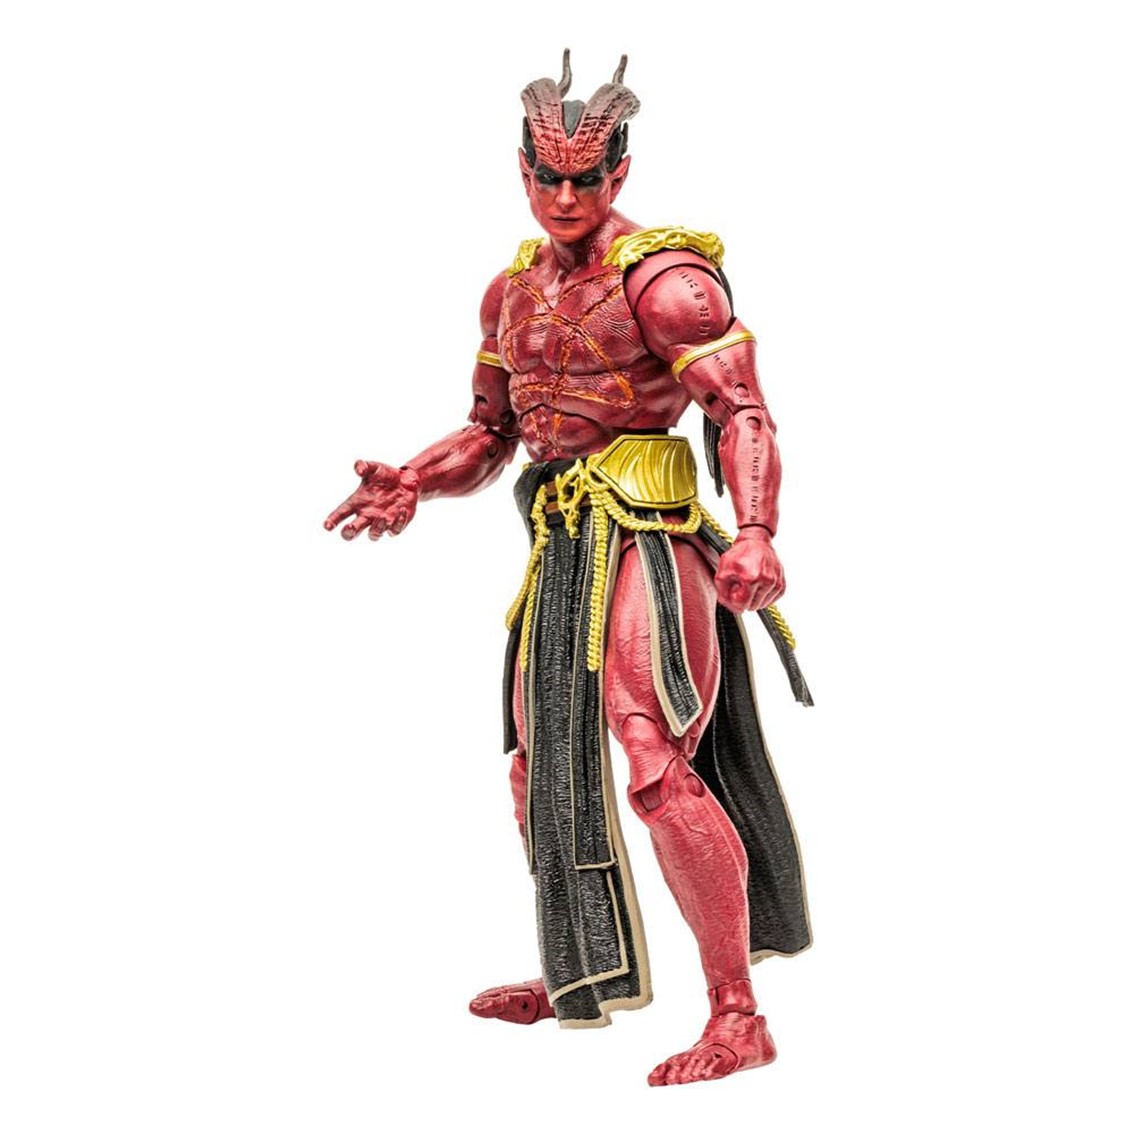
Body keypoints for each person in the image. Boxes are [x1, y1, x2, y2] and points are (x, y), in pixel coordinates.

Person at [324, 51, 811, 1087]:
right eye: (546, 176)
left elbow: (742, 410)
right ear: (522, 169)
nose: (564, 197)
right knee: (536, 766)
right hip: (560, 543)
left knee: (653, 755)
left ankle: (738, 1014)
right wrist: (414, 478)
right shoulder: (510, 293)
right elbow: (491, 434)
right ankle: (580, 965)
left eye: (585, 178)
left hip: (646, 534)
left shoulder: (668, 283)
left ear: (618, 174)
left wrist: (757, 529)